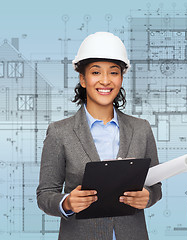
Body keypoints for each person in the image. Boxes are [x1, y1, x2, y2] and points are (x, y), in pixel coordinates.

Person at [36, 32, 162, 240]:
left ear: (121, 78)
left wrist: (147, 197)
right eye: (96, 72)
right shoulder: (60, 132)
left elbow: (155, 186)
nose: (105, 81)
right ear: (83, 79)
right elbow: (45, 194)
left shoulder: (141, 129)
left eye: (113, 72)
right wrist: (66, 203)